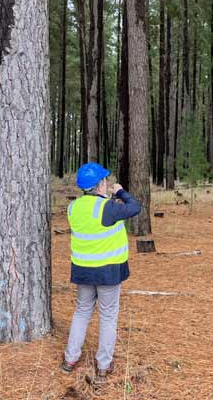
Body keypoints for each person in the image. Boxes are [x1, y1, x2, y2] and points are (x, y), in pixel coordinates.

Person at [62, 162, 141, 383]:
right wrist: (121, 192)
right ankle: (104, 366)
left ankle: (70, 360)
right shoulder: (107, 208)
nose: (106, 184)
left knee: (82, 312)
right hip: (108, 272)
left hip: (83, 271)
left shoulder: (73, 208)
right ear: (100, 185)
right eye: (105, 181)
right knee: (108, 316)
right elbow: (135, 208)